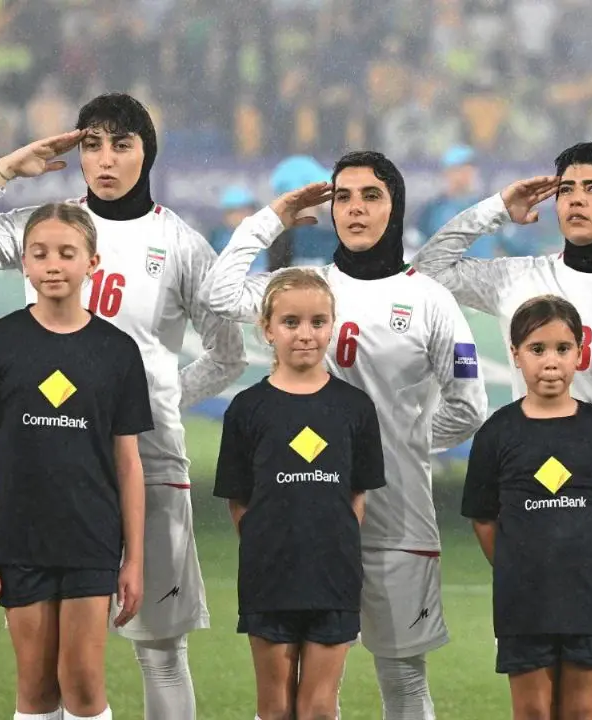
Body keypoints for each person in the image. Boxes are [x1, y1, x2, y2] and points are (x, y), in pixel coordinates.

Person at [0, 92, 248, 720]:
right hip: (45, 466)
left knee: (158, 648)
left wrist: (150, 403)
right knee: (47, 670)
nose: (105, 159)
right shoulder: (44, 224)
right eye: (92, 144)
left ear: (146, 152)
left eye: (122, 144)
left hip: (144, 460)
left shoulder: (179, 243)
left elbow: (228, 354)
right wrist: (6, 170)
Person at [414, 140, 592, 720]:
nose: (576, 199)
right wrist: (496, 206)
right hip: (535, 515)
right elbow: (426, 271)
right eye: (566, 188)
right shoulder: (521, 277)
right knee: (538, 684)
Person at [204, 150, 488, 719]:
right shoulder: (304, 290)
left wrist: (397, 445)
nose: (355, 209)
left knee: (404, 681)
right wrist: (273, 216)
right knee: (304, 694)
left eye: (371, 196)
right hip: (305, 522)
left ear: (395, 205)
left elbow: (470, 406)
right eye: (343, 197)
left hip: (398, 517)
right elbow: (217, 293)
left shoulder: (430, 299)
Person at [0, 203, 153, 720]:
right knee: (38, 687)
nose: (53, 264)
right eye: (40, 253)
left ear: (92, 261)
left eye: (67, 253)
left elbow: (128, 463)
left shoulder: (117, 351)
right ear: (23, 262)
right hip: (18, 539)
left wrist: (133, 558)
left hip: (91, 537)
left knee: (85, 686)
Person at [214, 268, 386, 720]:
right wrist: (269, 545)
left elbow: (356, 497)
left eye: (317, 322)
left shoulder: (354, 408)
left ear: (332, 325)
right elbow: (240, 500)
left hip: (334, 577)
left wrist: (330, 546)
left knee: (317, 708)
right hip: (268, 576)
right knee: (275, 707)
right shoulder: (247, 408)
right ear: (267, 329)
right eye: (291, 322)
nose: (305, 334)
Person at [462, 294, 592, 720]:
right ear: (516, 355)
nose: (551, 361)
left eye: (562, 348)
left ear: (580, 353)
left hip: (588, 599)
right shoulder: (496, 433)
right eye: (537, 349)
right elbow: (483, 519)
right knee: (533, 711)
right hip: (524, 602)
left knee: (580, 711)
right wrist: (515, 565)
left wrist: (583, 560)